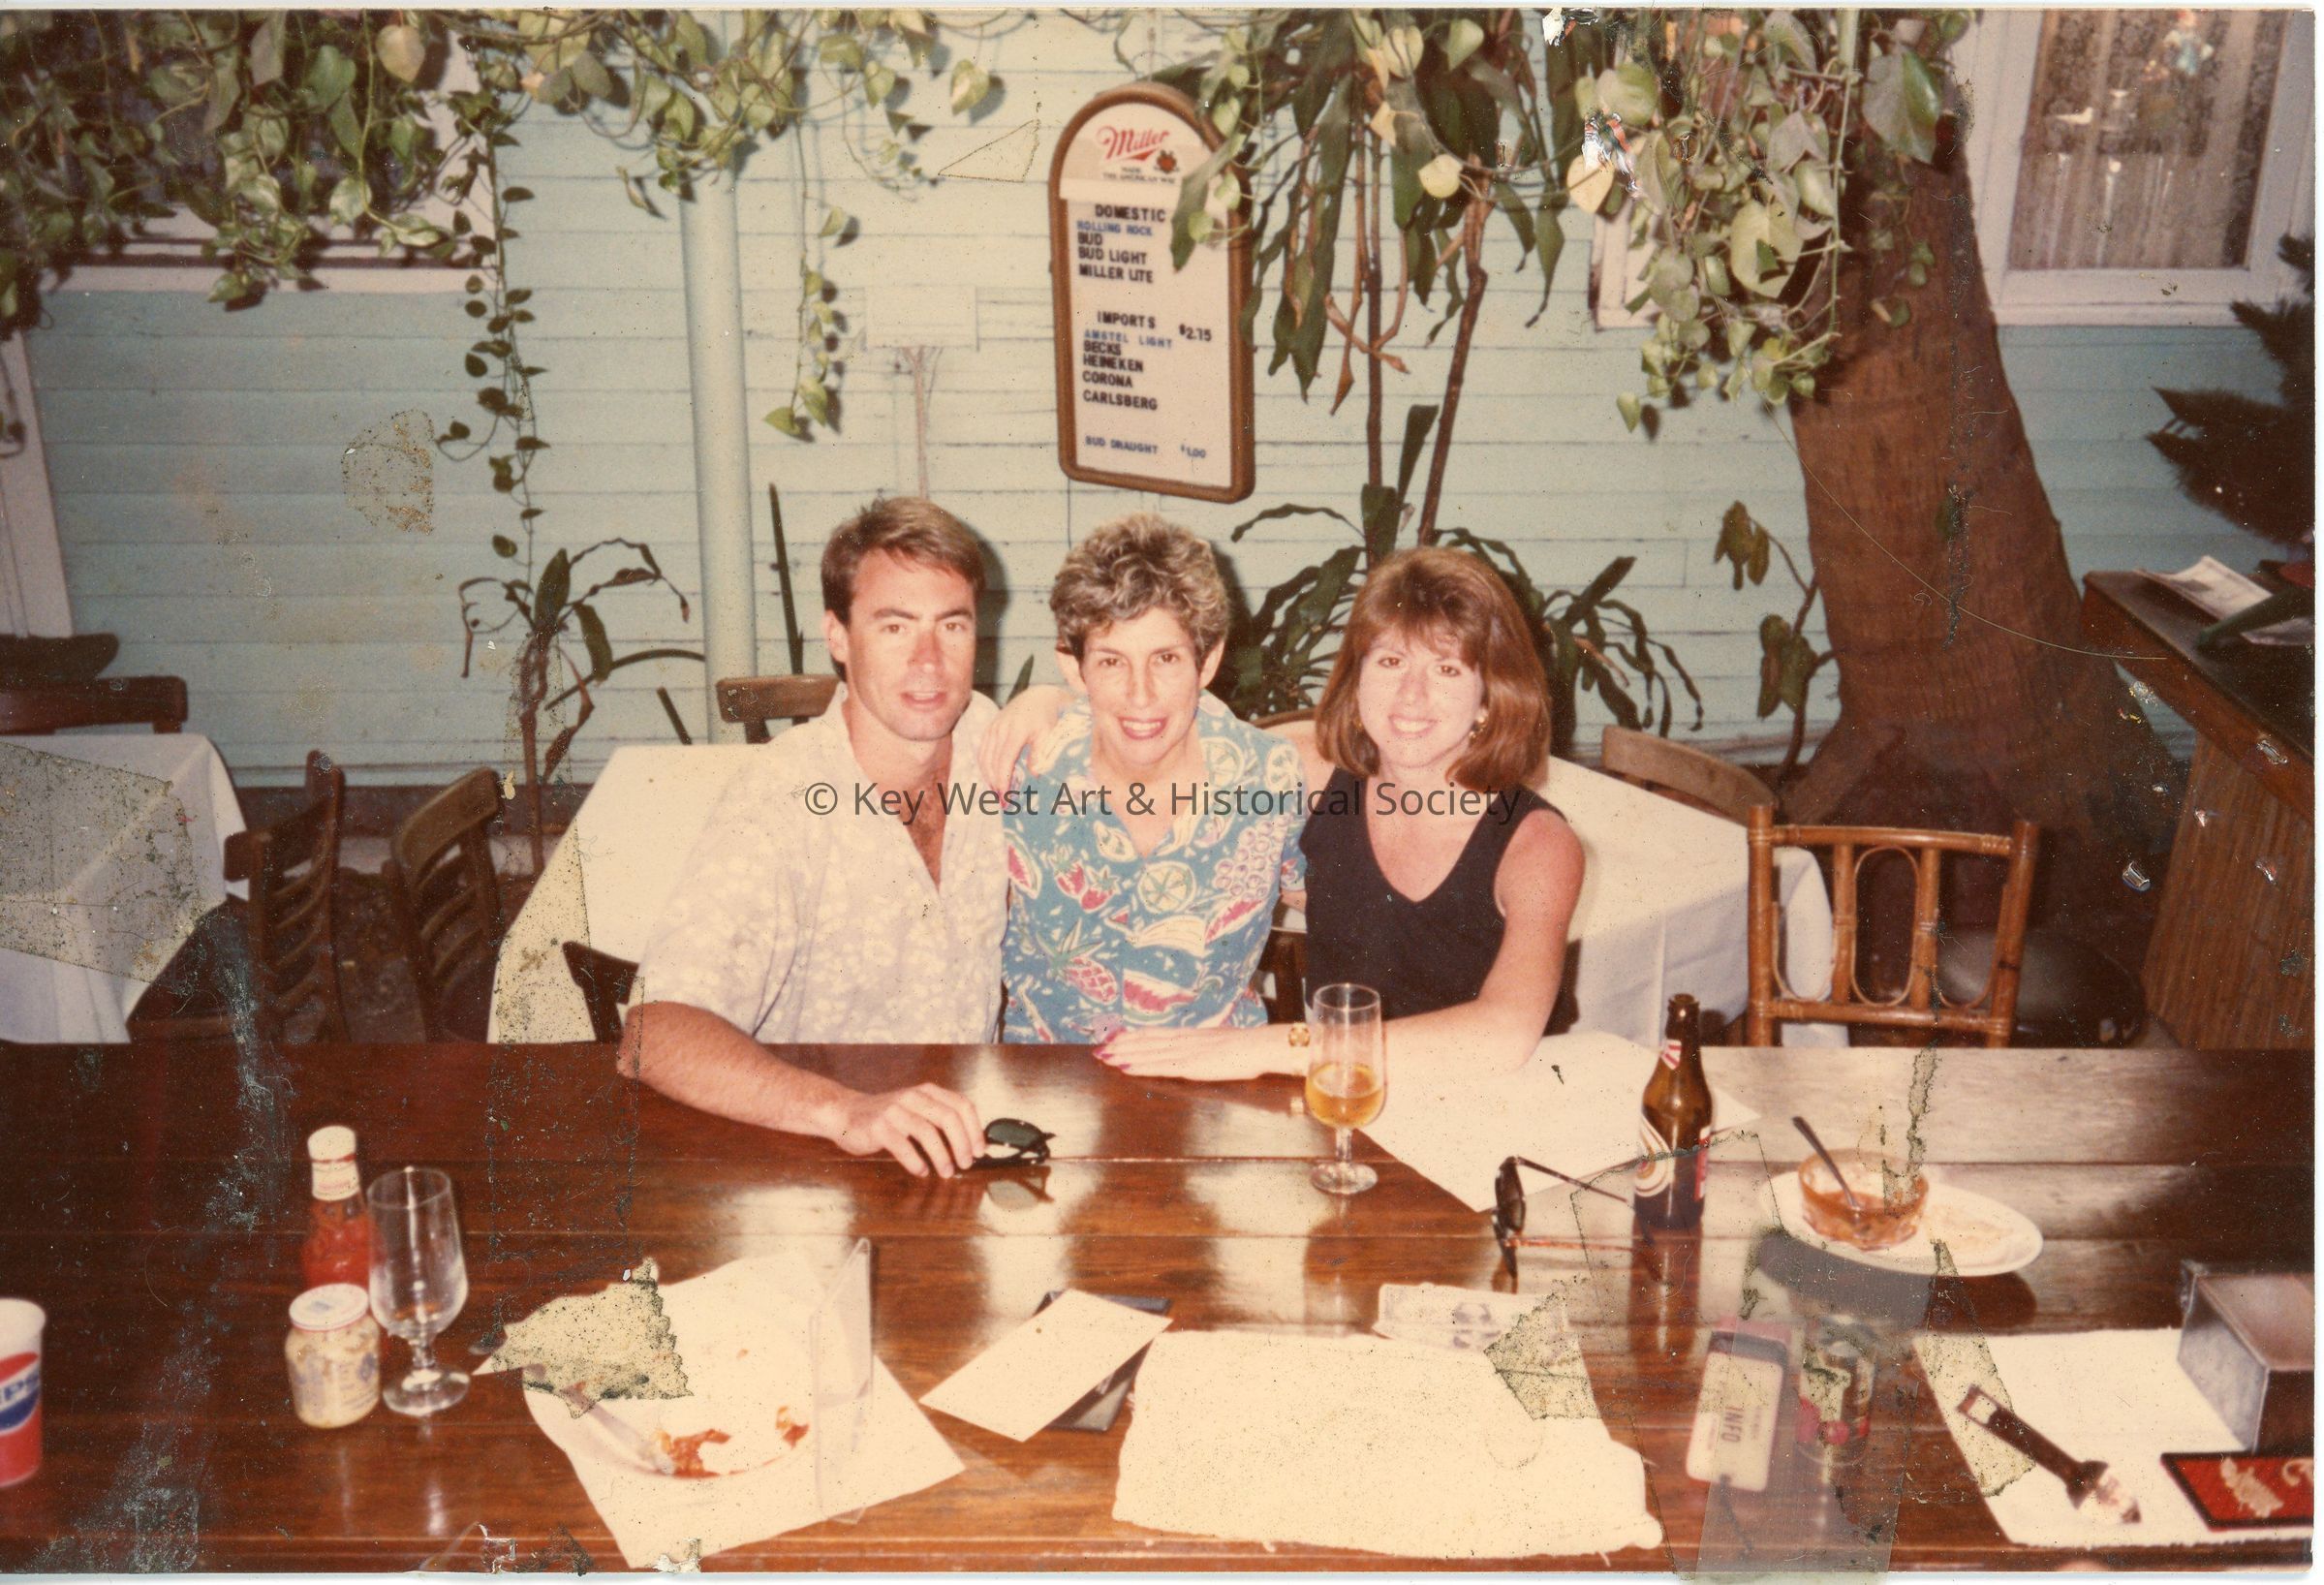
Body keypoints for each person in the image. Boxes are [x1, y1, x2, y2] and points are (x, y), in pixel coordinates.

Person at [987, 546, 1584, 1081]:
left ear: (1490, 697)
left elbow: (1504, 1034)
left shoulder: (1537, 843)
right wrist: (1056, 700)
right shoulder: (1303, 774)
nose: (1412, 696)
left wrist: (1263, 1048)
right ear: (1357, 678)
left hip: (1489, 1108)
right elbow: (1175, 725)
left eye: (1447, 669)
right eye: (1390, 662)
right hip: (1342, 1099)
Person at [622, 498, 1007, 1176]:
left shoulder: (992, 742)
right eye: (894, 626)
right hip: (819, 1157)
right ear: (838, 636)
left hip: (971, 1136)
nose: (929, 661)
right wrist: (846, 1112)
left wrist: (1052, 704)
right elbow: (652, 1035)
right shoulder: (779, 802)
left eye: (951, 625)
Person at [999, 513, 1307, 1042]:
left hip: (1215, 1068)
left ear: (1207, 662)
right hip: (1050, 1070)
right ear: (1074, 669)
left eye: (1165, 658)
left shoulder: (1269, 777)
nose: (1140, 695)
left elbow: (1322, 897)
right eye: (1111, 662)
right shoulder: (1023, 773)